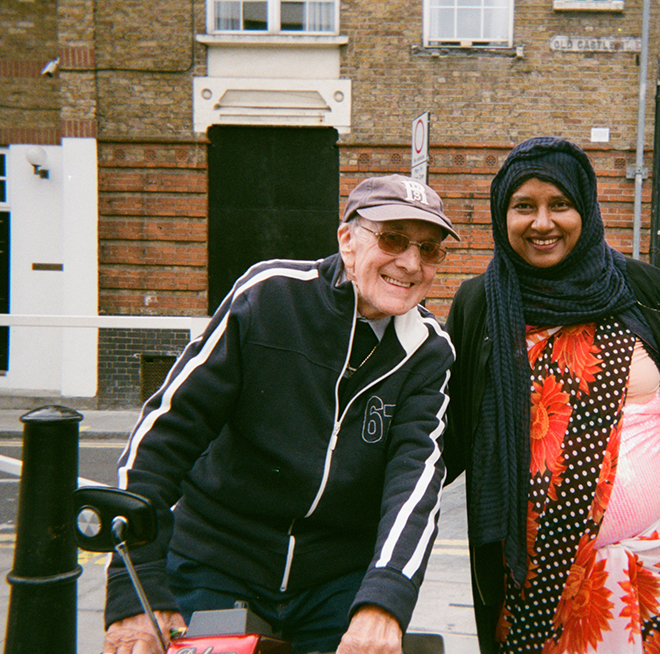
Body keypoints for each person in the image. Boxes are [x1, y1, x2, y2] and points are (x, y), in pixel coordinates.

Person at [103, 175, 459, 654]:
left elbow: (415, 484)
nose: (410, 263)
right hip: (219, 559)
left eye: (430, 249)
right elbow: (165, 432)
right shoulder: (271, 295)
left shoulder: (429, 351)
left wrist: (384, 602)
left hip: (336, 580)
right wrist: (136, 584)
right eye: (393, 238)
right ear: (347, 240)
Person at [443, 137, 660, 654]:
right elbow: (450, 427)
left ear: (587, 210)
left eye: (560, 205)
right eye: (523, 207)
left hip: (659, 550)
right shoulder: (480, 303)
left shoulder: (642, 287)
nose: (542, 223)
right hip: (536, 572)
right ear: (501, 214)